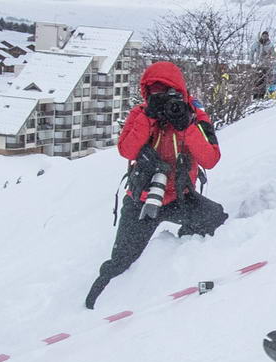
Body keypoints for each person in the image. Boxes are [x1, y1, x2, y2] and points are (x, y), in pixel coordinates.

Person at [85, 61, 227, 308]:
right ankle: (91, 306)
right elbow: (126, 150)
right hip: (142, 199)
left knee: (215, 218)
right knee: (121, 263)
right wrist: (149, 117)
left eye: (170, 94)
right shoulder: (140, 114)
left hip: (180, 197)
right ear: (147, 95)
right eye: (156, 95)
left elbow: (210, 159)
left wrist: (187, 126)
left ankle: (178, 255)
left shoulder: (195, 114)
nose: (165, 102)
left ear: (181, 92)